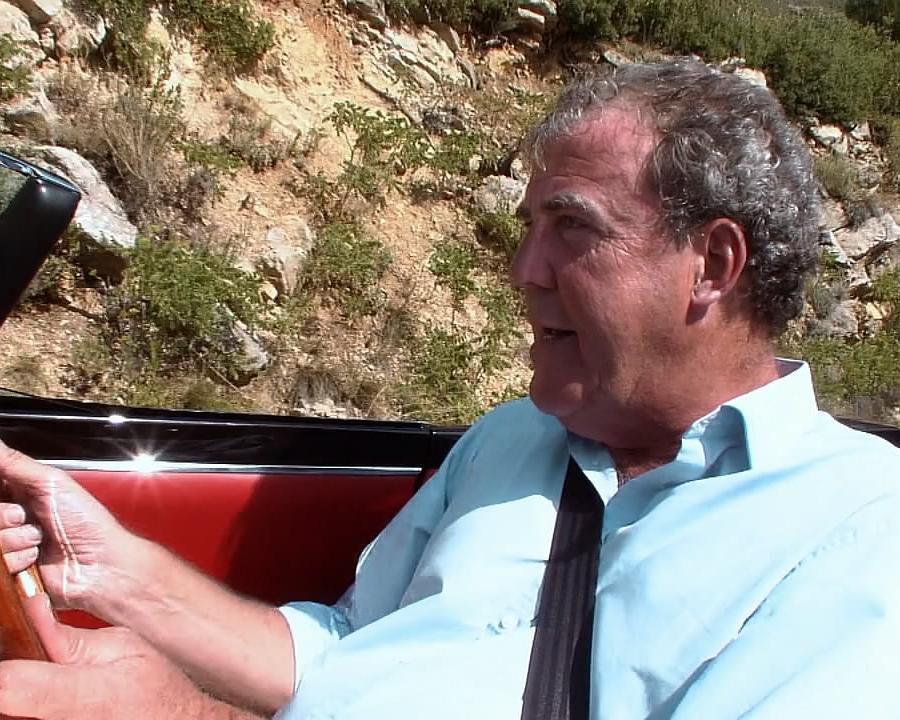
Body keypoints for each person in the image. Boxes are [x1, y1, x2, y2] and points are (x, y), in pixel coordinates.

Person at [1, 59, 899, 719]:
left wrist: (184, 716)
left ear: (713, 264)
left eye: (572, 228)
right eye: (529, 226)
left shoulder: (858, 532)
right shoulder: (510, 439)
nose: (524, 269)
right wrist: (110, 569)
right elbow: (343, 657)